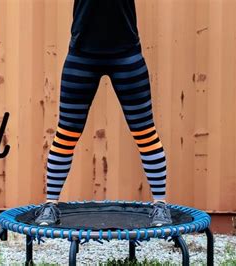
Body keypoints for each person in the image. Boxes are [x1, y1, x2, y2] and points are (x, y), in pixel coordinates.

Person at [34, 0, 172, 227]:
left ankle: (160, 205)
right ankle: (50, 204)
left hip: (126, 54)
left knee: (145, 132)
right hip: (82, 54)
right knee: (66, 134)